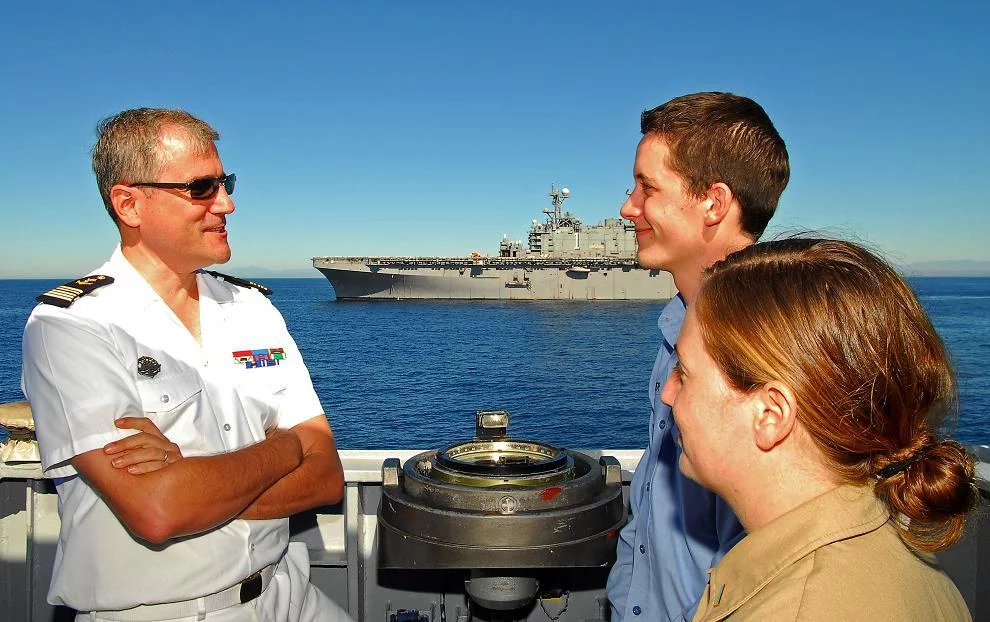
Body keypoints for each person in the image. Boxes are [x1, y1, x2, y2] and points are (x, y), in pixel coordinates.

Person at [21, 108, 350, 621]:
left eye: (226, 182)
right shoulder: (71, 325)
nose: (228, 203)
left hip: (289, 594)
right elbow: (159, 512)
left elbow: (327, 475)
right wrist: (287, 445)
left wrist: (193, 484)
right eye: (201, 187)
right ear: (129, 203)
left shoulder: (252, 308)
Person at [666, 238, 977, 621]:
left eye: (684, 373)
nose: (667, 393)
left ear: (770, 414)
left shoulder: (793, 609)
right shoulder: (905, 563)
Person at [606, 92, 790, 621]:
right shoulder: (678, 327)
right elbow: (653, 509)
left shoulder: (761, 352)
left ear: (713, 202)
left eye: (648, 187)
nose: (627, 206)